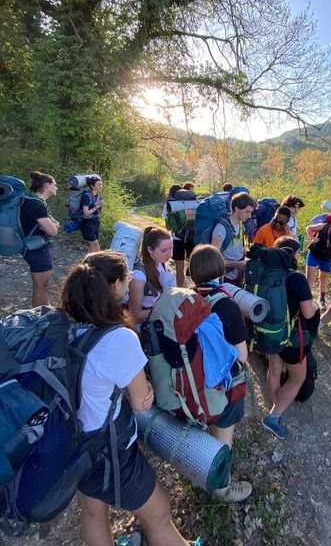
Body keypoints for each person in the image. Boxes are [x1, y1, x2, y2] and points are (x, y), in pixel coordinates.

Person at [61, 251, 200, 546]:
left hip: (69, 441)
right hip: (107, 450)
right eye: (125, 278)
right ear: (112, 287)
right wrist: (147, 389)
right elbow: (140, 402)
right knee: (159, 515)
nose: (128, 282)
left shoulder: (62, 323)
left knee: (92, 512)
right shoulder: (118, 339)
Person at [189, 244, 252, 502]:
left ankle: (199, 470)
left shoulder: (187, 297)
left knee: (206, 427)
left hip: (194, 381)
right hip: (223, 387)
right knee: (223, 436)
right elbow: (242, 356)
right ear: (219, 270)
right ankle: (221, 487)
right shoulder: (226, 304)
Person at [261, 237, 319, 440]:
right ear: (292, 255)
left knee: (275, 369)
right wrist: (315, 306)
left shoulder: (264, 272)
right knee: (297, 378)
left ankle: (276, 403)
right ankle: (273, 417)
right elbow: (308, 313)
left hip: (268, 331)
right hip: (291, 336)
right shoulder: (296, 278)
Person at [19, 170, 59, 306]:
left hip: (31, 247)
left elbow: (51, 225)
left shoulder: (30, 200)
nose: (56, 187)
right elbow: (53, 231)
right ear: (46, 185)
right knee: (42, 288)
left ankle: (42, 314)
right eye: (54, 184)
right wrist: (55, 225)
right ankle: (40, 318)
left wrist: (53, 225)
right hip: (38, 249)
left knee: (40, 287)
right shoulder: (36, 205)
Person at [128, 226, 176, 328]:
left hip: (157, 323)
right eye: (164, 250)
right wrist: (162, 310)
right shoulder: (139, 276)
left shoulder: (162, 264)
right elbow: (134, 316)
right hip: (144, 331)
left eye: (171, 248)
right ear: (150, 249)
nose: (170, 254)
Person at [211, 191, 256, 286]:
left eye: (251, 212)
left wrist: (252, 254)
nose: (249, 216)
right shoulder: (221, 228)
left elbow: (239, 249)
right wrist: (236, 264)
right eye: (247, 212)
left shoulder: (241, 226)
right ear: (236, 208)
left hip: (238, 276)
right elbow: (213, 259)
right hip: (224, 278)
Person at [305, 213, 331, 308]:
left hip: (326, 257)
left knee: (323, 278)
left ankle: (321, 299)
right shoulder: (324, 226)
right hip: (313, 254)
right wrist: (312, 238)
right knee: (309, 278)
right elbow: (309, 228)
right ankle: (307, 300)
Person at [81, 175, 105, 254]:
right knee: (95, 245)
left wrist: (101, 206)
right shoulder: (86, 196)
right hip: (87, 223)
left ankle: (87, 263)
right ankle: (99, 262)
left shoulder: (97, 195)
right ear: (92, 186)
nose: (101, 186)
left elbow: (99, 210)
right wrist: (97, 206)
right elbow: (86, 213)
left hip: (96, 222)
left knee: (94, 245)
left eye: (101, 184)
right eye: (98, 185)